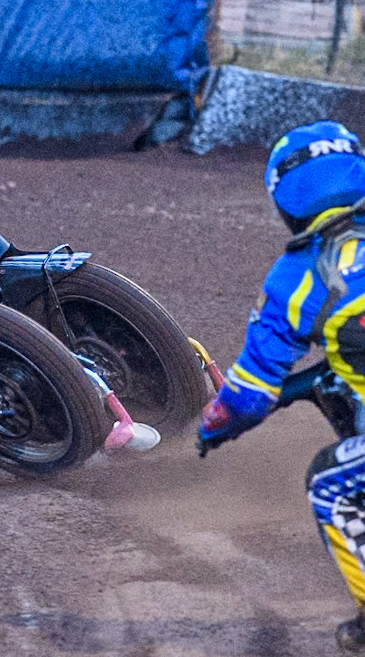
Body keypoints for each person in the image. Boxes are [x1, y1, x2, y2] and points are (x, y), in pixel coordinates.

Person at [196, 120, 365, 652]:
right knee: (338, 384)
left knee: (328, 484)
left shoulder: (299, 280)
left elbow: (247, 397)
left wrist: (208, 430)